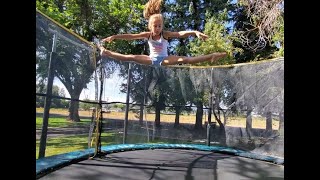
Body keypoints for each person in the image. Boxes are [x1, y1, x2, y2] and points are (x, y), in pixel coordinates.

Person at [96, 0, 227, 67]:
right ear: (150, 26)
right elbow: (130, 36)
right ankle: (105, 52)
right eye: (155, 26)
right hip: (151, 59)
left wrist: (195, 32)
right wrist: (115, 36)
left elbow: (180, 34)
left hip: (164, 59)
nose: (158, 28)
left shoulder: (165, 34)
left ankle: (212, 56)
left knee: (185, 59)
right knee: (129, 56)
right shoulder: (148, 35)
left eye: (159, 26)